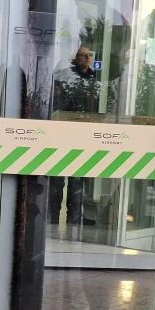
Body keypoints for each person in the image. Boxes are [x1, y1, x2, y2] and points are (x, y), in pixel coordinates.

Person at [50, 46, 100, 225]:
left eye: (89, 55)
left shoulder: (94, 79)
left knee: (78, 178)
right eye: (83, 55)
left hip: (84, 133)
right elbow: (57, 103)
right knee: (57, 179)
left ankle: (75, 218)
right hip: (63, 132)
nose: (87, 58)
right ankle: (52, 217)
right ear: (75, 58)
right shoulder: (64, 76)